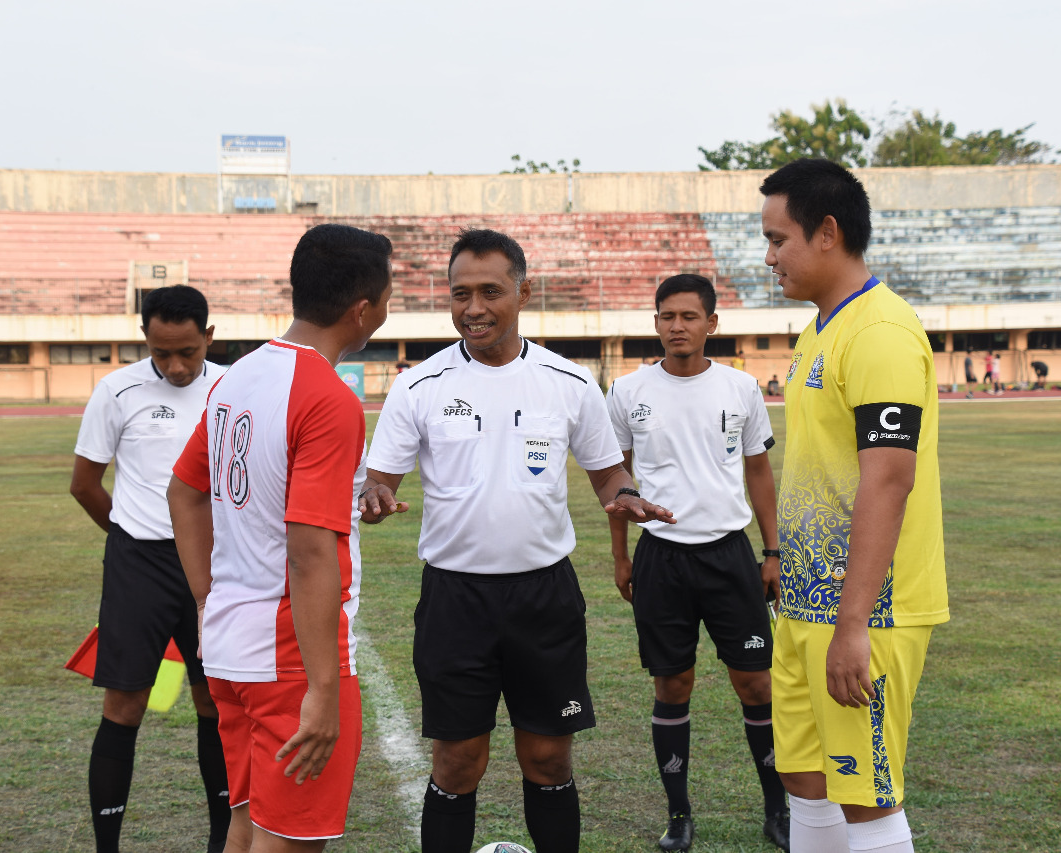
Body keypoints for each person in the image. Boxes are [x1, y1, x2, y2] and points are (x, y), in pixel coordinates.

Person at [358, 228, 674, 853]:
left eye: (490, 292)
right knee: (456, 763)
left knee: (549, 760)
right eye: (461, 294)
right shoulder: (418, 386)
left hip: (544, 598)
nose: (473, 307)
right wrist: (373, 499)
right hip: (455, 600)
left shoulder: (569, 381)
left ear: (524, 292)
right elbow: (379, 480)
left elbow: (607, 470)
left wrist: (625, 491)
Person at [167, 224, 394, 852]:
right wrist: (323, 691)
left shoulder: (236, 378)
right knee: (288, 842)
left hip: (230, 648)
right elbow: (309, 546)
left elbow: (183, 492)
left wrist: (210, 597)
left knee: (246, 826)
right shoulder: (327, 396)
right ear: (364, 308)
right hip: (290, 660)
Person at [760, 159, 948, 853]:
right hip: (807, 606)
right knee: (807, 777)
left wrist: (853, 623)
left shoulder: (880, 332)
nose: (770, 255)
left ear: (827, 232)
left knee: (865, 796)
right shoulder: (820, 329)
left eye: (779, 238)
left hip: (866, 611)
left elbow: (888, 479)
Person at [606, 273, 789, 852]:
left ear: (712, 323)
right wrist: (620, 556)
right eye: (666, 316)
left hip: (730, 555)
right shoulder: (628, 390)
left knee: (756, 685)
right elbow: (618, 482)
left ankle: (777, 811)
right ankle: (678, 816)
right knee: (672, 684)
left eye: (689, 316)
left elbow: (758, 470)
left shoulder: (740, 388)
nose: (676, 326)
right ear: (655, 322)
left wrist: (772, 550)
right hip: (661, 558)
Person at [69, 284, 230, 853]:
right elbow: (85, 485)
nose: (176, 365)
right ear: (146, 340)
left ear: (209, 337)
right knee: (125, 704)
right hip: (139, 562)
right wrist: (130, 537)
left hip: (214, 567)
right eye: (162, 353)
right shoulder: (117, 391)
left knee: (216, 701)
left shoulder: (233, 390)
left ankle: (222, 840)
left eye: (187, 351)